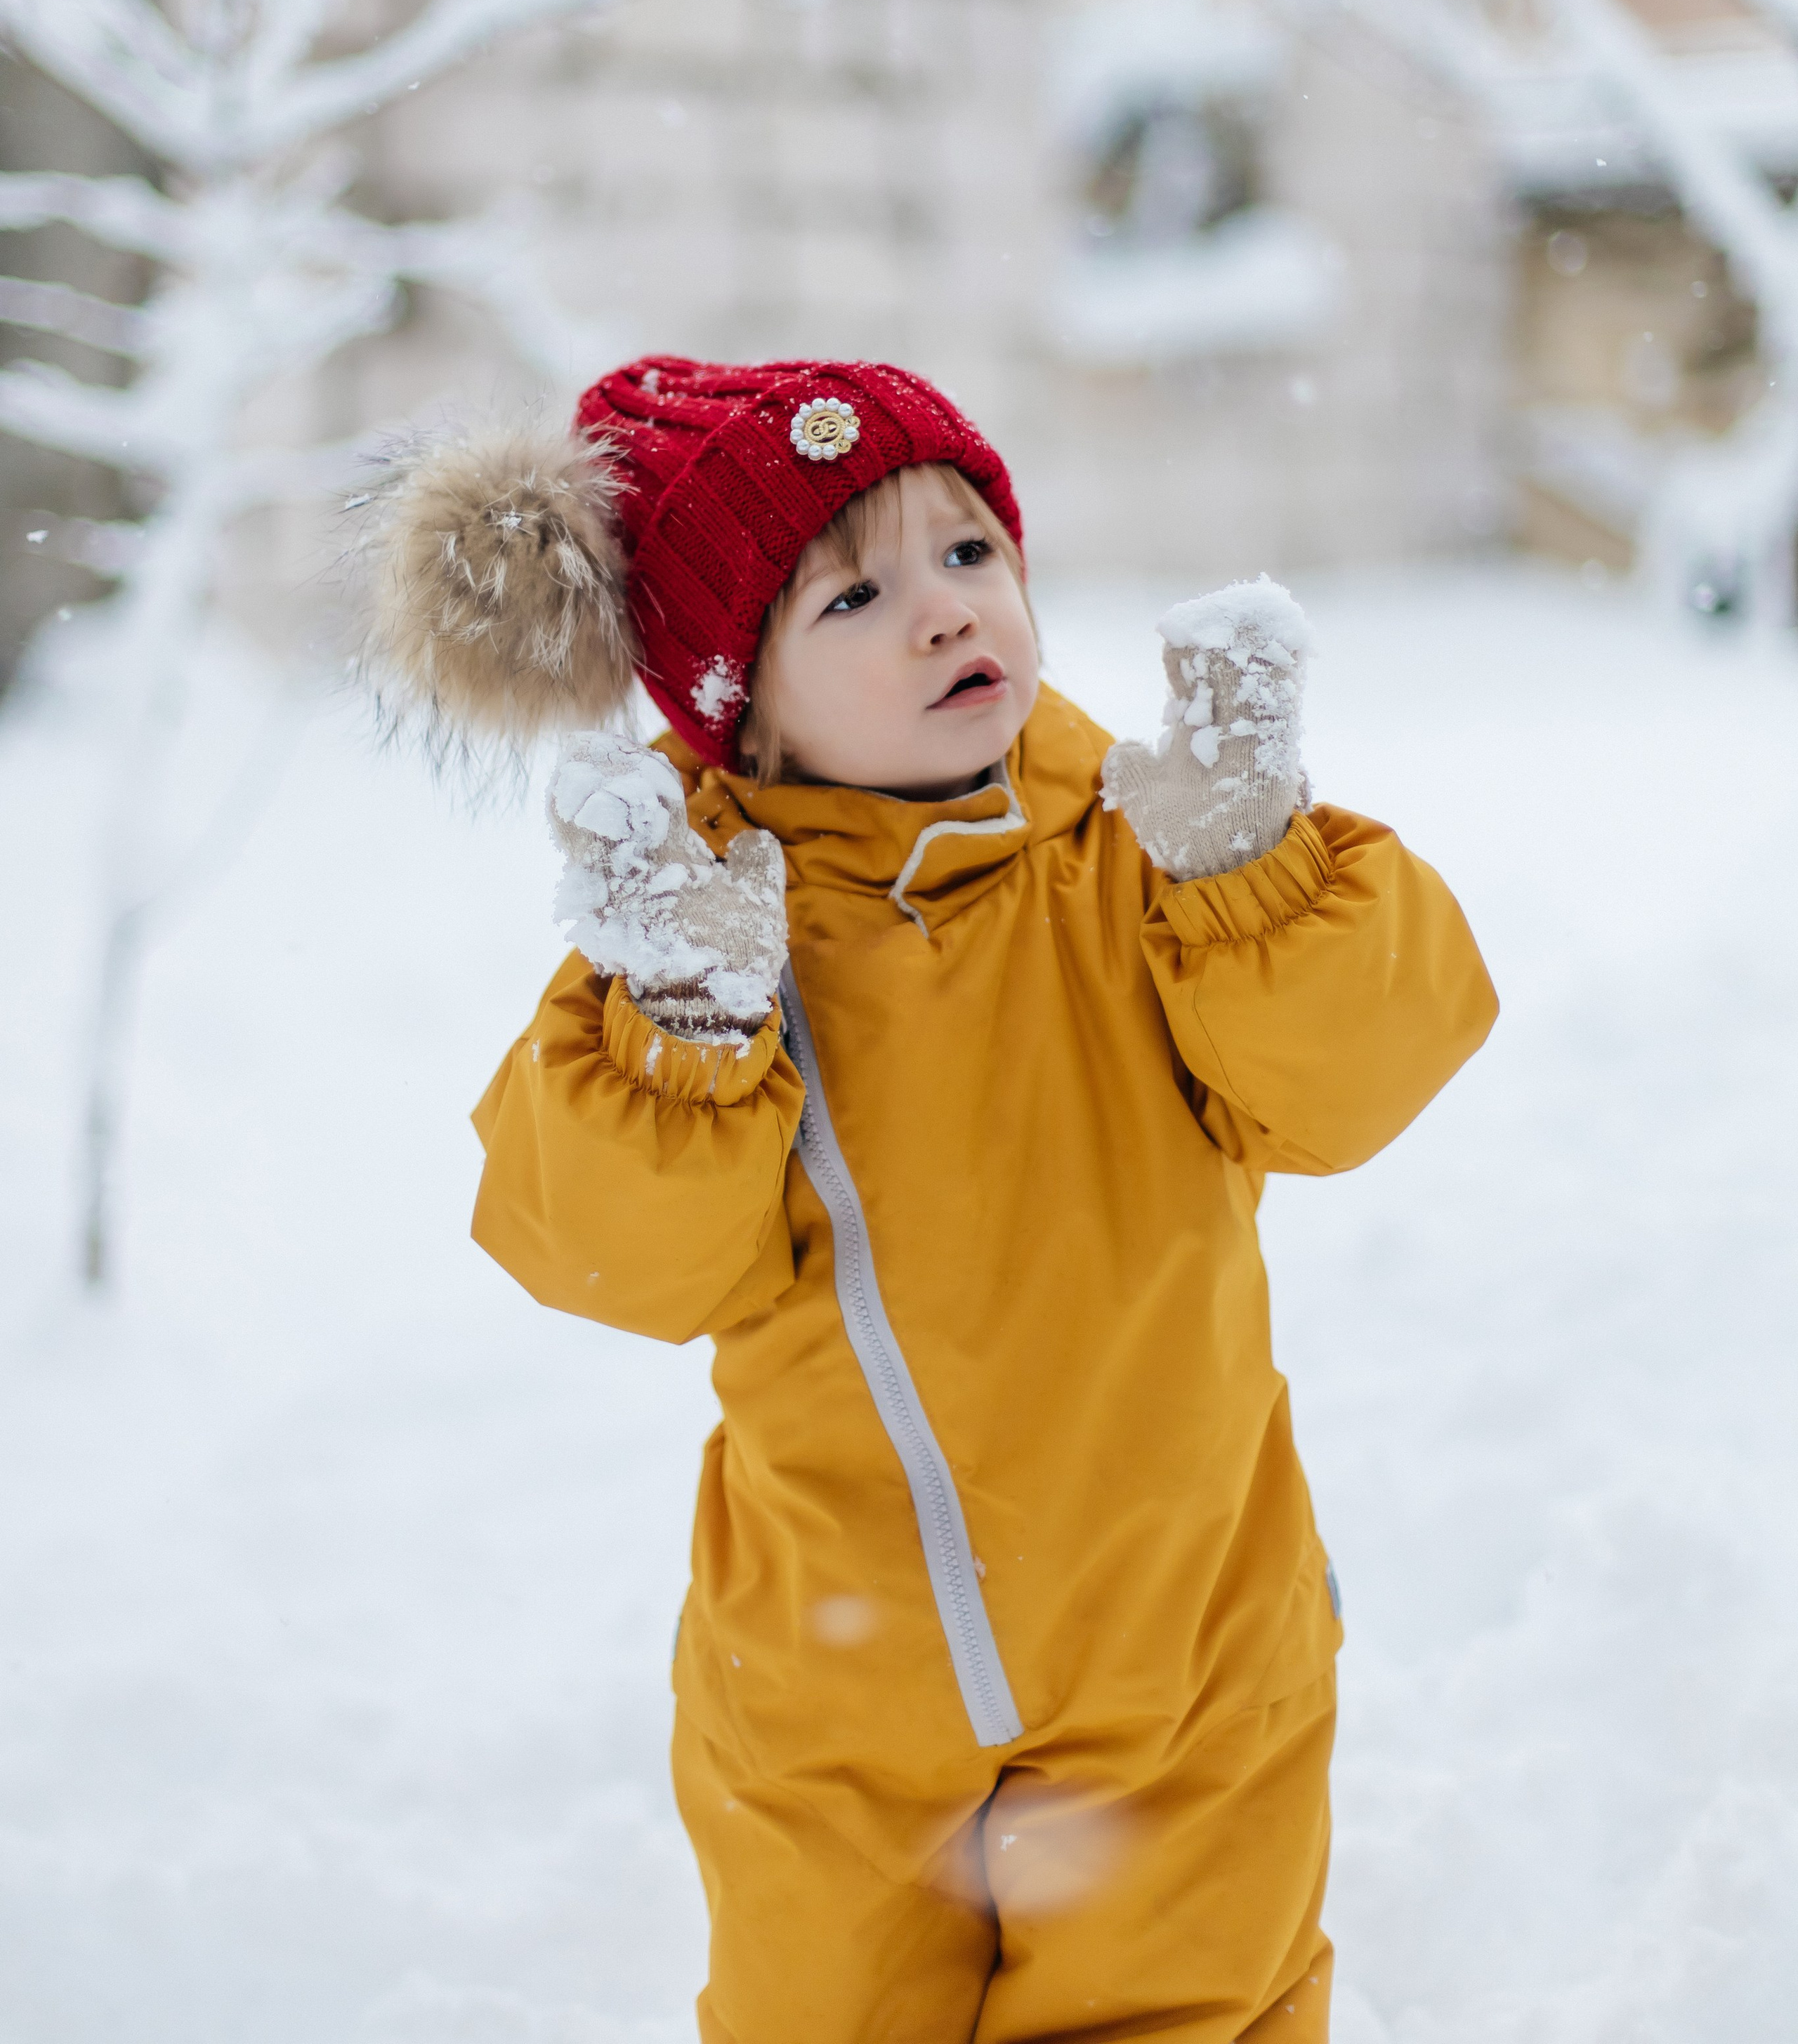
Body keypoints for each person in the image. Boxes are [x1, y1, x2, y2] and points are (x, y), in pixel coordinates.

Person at [358, 354, 1498, 2044]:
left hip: (1179, 1650)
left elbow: (1347, 1090)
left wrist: (1255, 871)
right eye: (857, 594)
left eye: (971, 555)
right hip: (833, 1703)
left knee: (1188, 2012)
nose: (945, 616)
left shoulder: (1141, 852)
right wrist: (688, 1034)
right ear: (736, 703)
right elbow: (624, 1263)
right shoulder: (700, 945)